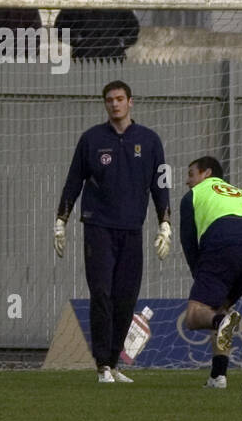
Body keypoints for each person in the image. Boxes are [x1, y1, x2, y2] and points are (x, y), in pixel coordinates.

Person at [55, 81, 170, 382]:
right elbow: (73, 182)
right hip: (98, 227)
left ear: (131, 102)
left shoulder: (149, 140)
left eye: (120, 99)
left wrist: (165, 223)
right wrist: (60, 221)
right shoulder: (91, 139)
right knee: (102, 293)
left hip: (132, 228)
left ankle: (115, 363)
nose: (115, 105)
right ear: (105, 104)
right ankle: (102, 364)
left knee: (126, 297)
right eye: (109, 100)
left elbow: (160, 185)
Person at [179, 157, 242, 389]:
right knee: (221, 307)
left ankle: (221, 321)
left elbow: (189, 242)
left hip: (221, 242)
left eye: (191, 174)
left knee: (195, 316)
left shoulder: (193, 195)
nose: (187, 181)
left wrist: (198, 275)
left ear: (206, 173)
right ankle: (218, 376)